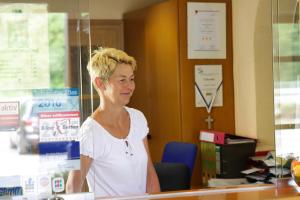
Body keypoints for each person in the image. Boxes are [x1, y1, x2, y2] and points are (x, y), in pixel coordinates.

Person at [66, 47, 160, 198]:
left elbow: (149, 173)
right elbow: (72, 188)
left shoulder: (138, 118)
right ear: (100, 83)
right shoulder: (89, 132)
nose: (130, 86)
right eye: (122, 80)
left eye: (131, 79)